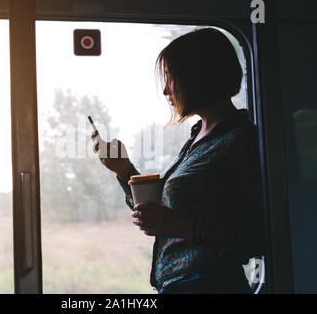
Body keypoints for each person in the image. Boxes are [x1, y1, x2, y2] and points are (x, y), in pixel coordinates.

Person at [90, 27, 265, 294]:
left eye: (170, 78)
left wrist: (184, 226)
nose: (164, 91)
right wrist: (124, 170)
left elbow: (261, 233)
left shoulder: (242, 142)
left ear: (198, 77)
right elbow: (165, 207)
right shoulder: (198, 138)